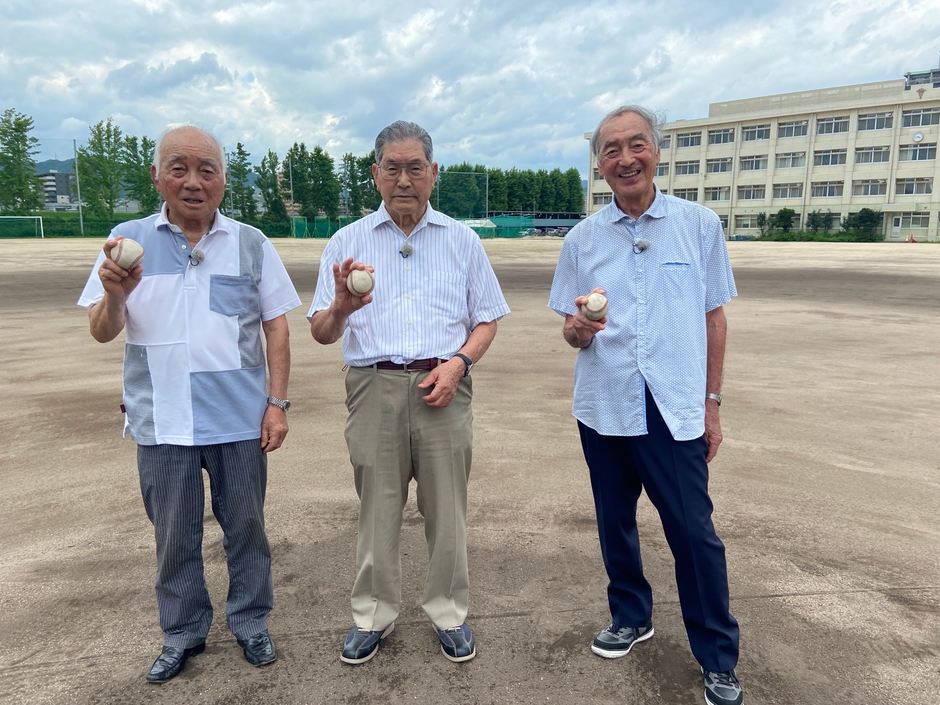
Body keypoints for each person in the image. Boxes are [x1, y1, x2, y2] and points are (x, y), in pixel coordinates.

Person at [78, 125, 301, 683]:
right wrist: (115, 294)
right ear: (158, 177)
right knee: (174, 535)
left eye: (207, 170)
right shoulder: (125, 241)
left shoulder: (251, 243)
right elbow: (102, 331)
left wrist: (276, 403)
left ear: (223, 181)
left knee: (246, 528)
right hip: (162, 418)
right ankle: (182, 632)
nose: (193, 181)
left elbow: (276, 327)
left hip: (239, 420)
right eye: (179, 168)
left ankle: (251, 622)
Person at [548, 105, 743, 705]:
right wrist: (578, 329)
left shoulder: (698, 225)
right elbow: (570, 331)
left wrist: (711, 405)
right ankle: (631, 615)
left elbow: (714, 319)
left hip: (674, 407)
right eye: (611, 149)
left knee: (693, 534)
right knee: (615, 521)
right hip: (604, 403)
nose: (625, 158)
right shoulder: (581, 239)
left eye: (637, 145)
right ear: (599, 164)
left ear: (657, 152)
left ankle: (717, 657)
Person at [309, 120, 509, 665]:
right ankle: (372, 614)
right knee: (378, 509)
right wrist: (340, 308)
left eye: (414, 168)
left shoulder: (462, 241)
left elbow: (487, 319)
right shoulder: (347, 242)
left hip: (444, 385)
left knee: (447, 510)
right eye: (392, 168)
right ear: (375, 174)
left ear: (433, 173)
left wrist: (459, 364)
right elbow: (322, 331)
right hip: (372, 387)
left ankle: (449, 612)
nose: (403, 179)